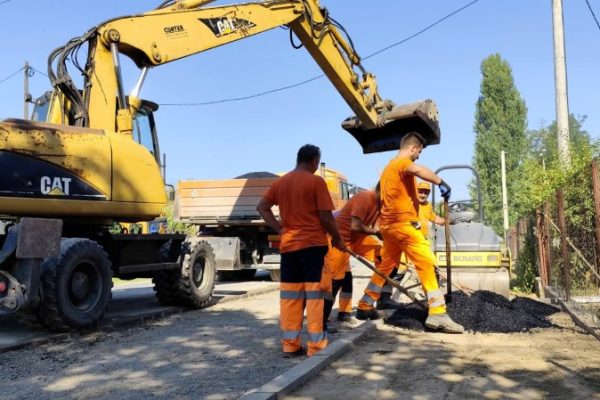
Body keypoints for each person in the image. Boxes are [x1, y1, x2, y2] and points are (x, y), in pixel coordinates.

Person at [356, 133, 464, 333]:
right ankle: (438, 312)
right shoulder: (401, 163)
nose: (419, 156)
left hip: (389, 228)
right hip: (403, 226)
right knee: (426, 262)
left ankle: (365, 305)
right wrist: (441, 182)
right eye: (419, 151)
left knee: (386, 267)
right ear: (413, 148)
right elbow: (418, 169)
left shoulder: (388, 168)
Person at [257, 144, 345, 357]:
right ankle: (316, 346)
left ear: (298, 159)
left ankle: (290, 345)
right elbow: (326, 217)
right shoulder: (316, 181)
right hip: (313, 246)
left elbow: (262, 207)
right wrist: (338, 239)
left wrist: (280, 230)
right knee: (315, 297)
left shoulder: (281, 182)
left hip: (289, 248)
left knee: (290, 297)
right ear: (315, 161)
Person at [322, 184, 382, 330]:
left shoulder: (381, 204)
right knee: (335, 280)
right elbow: (355, 226)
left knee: (384, 256)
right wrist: (376, 233)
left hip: (356, 240)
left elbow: (378, 227)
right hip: (338, 240)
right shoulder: (364, 198)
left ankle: (346, 311)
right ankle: (321, 321)